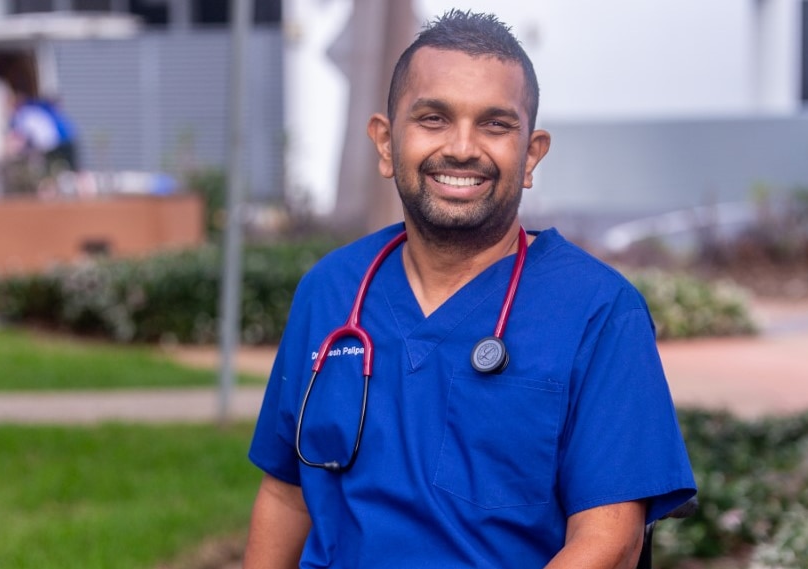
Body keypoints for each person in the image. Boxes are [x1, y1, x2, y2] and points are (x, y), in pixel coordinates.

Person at [245, 10, 696, 569]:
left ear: (531, 155)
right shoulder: (331, 291)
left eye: (495, 125)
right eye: (433, 119)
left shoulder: (598, 312)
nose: (462, 148)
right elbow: (287, 494)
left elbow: (611, 540)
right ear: (386, 142)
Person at [7, 91, 79, 176]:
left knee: (49, 172)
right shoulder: (37, 108)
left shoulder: (23, 114)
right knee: (72, 170)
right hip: (67, 139)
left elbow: (22, 138)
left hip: (53, 143)